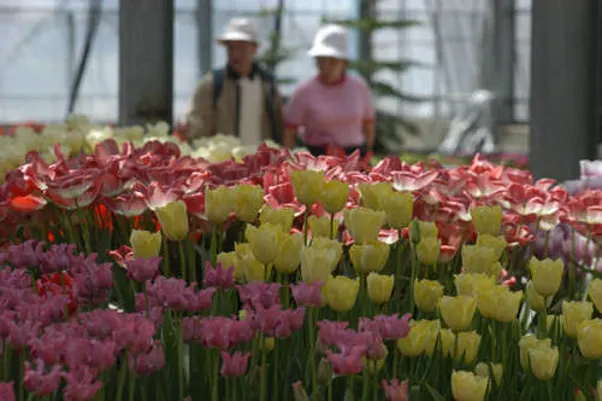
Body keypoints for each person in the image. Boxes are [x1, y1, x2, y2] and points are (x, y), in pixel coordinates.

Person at [185, 18, 283, 145]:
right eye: (231, 48)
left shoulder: (268, 85)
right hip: (224, 162)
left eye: (241, 48)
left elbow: (278, 126)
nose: (235, 54)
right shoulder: (212, 84)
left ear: (254, 48)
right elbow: (197, 128)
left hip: (259, 162)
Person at [283, 24, 375, 156]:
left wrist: (368, 152)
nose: (326, 66)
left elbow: (368, 124)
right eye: (321, 60)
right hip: (317, 159)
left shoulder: (359, 88)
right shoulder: (304, 91)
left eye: (332, 61)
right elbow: (290, 130)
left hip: (355, 156)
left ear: (344, 62)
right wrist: (288, 159)